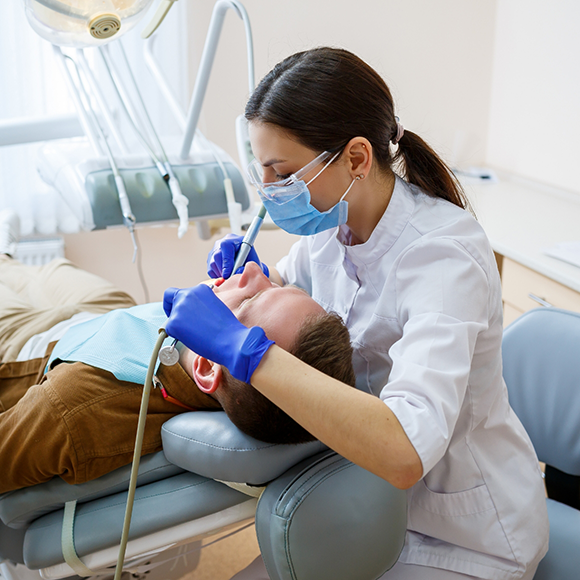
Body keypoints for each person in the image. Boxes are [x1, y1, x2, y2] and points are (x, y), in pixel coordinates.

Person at [163, 48, 550, 580]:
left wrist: (246, 352)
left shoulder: (443, 258)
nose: (272, 194)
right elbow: (289, 290)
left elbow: (406, 450)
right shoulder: (332, 229)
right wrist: (256, 279)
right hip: (363, 504)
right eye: (263, 176)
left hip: (463, 535)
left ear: (356, 158)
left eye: (284, 175)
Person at [0, 210, 356, 494]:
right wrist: (264, 284)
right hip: (107, 310)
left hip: (30, 343)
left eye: (252, 298)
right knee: (52, 268)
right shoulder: (207, 360)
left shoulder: (72, 408)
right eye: (280, 285)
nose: (250, 270)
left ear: (206, 366)